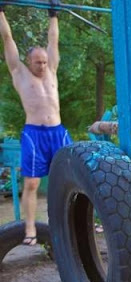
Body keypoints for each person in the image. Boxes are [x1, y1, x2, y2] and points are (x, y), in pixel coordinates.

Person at [0, 3, 72, 246]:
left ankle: (77, 220)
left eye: (44, 61)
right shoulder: (19, 73)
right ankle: (30, 227)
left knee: (74, 177)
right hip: (34, 133)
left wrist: (53, 13)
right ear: (28, 62)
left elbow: (53, 40)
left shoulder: (52, 69)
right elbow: (8, 38)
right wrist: (1, 12)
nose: (42, 65)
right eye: (37, 62)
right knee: (31, 182)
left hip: (58, 132)